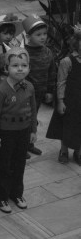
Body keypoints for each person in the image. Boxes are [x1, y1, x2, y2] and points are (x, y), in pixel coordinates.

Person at [0, 48, 37, 213]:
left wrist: (33, 131)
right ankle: (1, 196)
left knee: (19, 163)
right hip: (6, 133)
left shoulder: (29, 87)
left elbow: (33, 109)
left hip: (23, 131)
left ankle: (16, 193)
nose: (20, 68)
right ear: (6, 68)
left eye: (24, 65)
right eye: (15, 65)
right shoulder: (0, 90)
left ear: (29, 68)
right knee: (4, 164)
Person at [22, 15, 55, 157]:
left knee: (34, 118)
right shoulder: (24, 53)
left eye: (44, 34)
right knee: (24, 119)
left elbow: (52, 72)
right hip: (25, 94)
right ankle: (21, 146)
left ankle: (30, 143)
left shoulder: (47, 52)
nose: (43, 37)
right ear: (29, 36)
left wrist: (50, 90)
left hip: (40, 93)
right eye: (38, 34)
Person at [47, 28, 81, 164]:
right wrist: (60, 101)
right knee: (65, 126)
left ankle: (78, 151)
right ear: (76, 42)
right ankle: (64, 150)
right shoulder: (67, 61)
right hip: (70, 100)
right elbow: (61, 83)